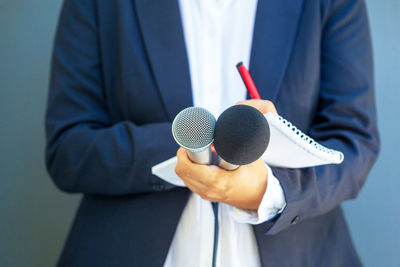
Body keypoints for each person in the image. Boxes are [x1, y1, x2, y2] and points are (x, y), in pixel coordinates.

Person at [45, 0, 380, 266]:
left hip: (300, 253)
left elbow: (354, 143)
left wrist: (268, 191)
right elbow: (68, 149)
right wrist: (202, 142)